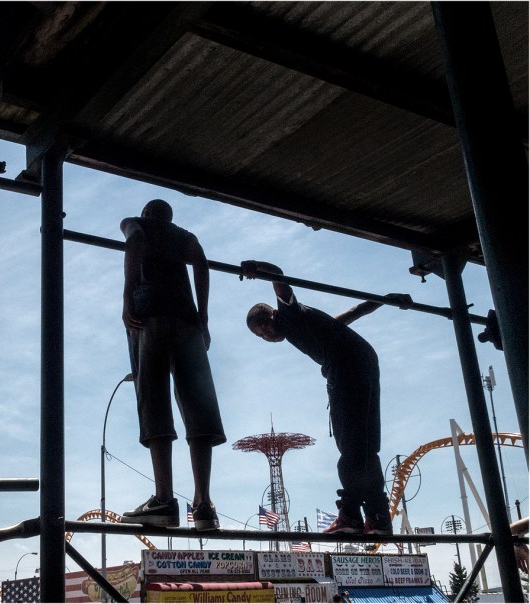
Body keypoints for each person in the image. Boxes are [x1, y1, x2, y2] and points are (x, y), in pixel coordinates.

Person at [241, 260, 412, 535]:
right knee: (366, 445)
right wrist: (387, 300)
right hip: (364, 361)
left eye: (265, 326)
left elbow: (277, 274)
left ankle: (350, 516)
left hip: (345, 369)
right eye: (261, 336)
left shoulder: (290, 315)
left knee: (350, 445)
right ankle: (378, 518)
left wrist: (256, 268)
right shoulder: (309, 323)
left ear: (272, 314)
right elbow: (353, 313)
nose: (268, 335)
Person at [119, 199, 226, 531]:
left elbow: (134, 241)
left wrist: (128, 295)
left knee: (153, 399)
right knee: (199, 404)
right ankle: (204, 504)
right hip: (188, 320)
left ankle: (164, 498)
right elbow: (202, 263)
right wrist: (204, 316)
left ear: (147, 213)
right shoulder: (184, 235)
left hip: (148, 313)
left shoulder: (136, 221)